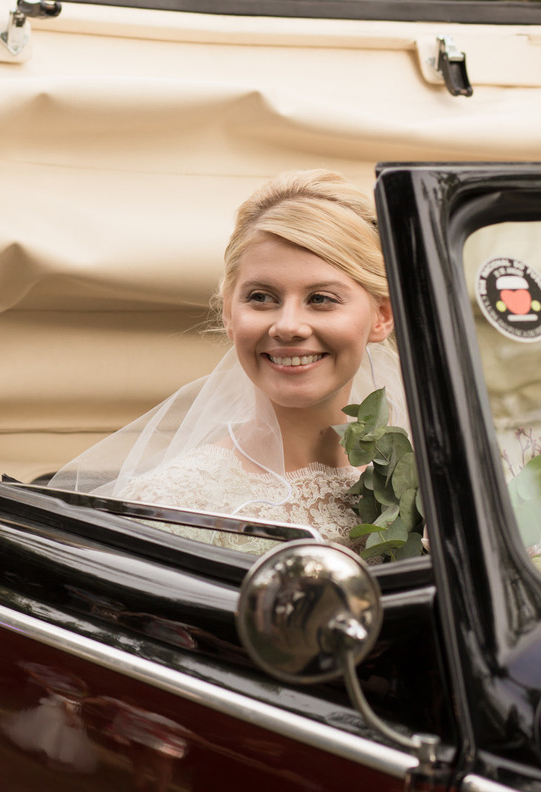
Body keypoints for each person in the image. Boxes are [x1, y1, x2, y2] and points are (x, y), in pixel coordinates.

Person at [49, 169, 403, 556]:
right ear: (229, 315)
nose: (288, 327)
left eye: (321, 299)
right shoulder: (172, 506)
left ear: (382, 315)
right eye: (261, 298)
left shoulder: (421, 481)